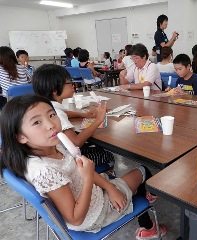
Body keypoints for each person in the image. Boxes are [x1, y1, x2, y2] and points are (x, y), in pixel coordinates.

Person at [0, 94, 168, 239]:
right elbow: (75, 219)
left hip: (94, 194)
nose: (51, 125)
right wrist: (88, 179)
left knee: (128, 183)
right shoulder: (45, 171)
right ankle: (148, 226)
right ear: (20, 137)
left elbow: (78, 170)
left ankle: (136, 199)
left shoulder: (51, 146)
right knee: (143, 171)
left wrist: (110, 187)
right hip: (94, 214)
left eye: (52, 115)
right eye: (37, 122)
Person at [32, 64, 115, 170]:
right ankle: (101, 179)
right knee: (108, 156)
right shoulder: (57, 113)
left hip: (59, 154)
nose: (73, 85)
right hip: (71, 161)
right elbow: (76, 142)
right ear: (54, 89)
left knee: (97, 147)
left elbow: (64, 112)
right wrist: (99, 119)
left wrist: (84, 114)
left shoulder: (46, 106)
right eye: (69, 82)